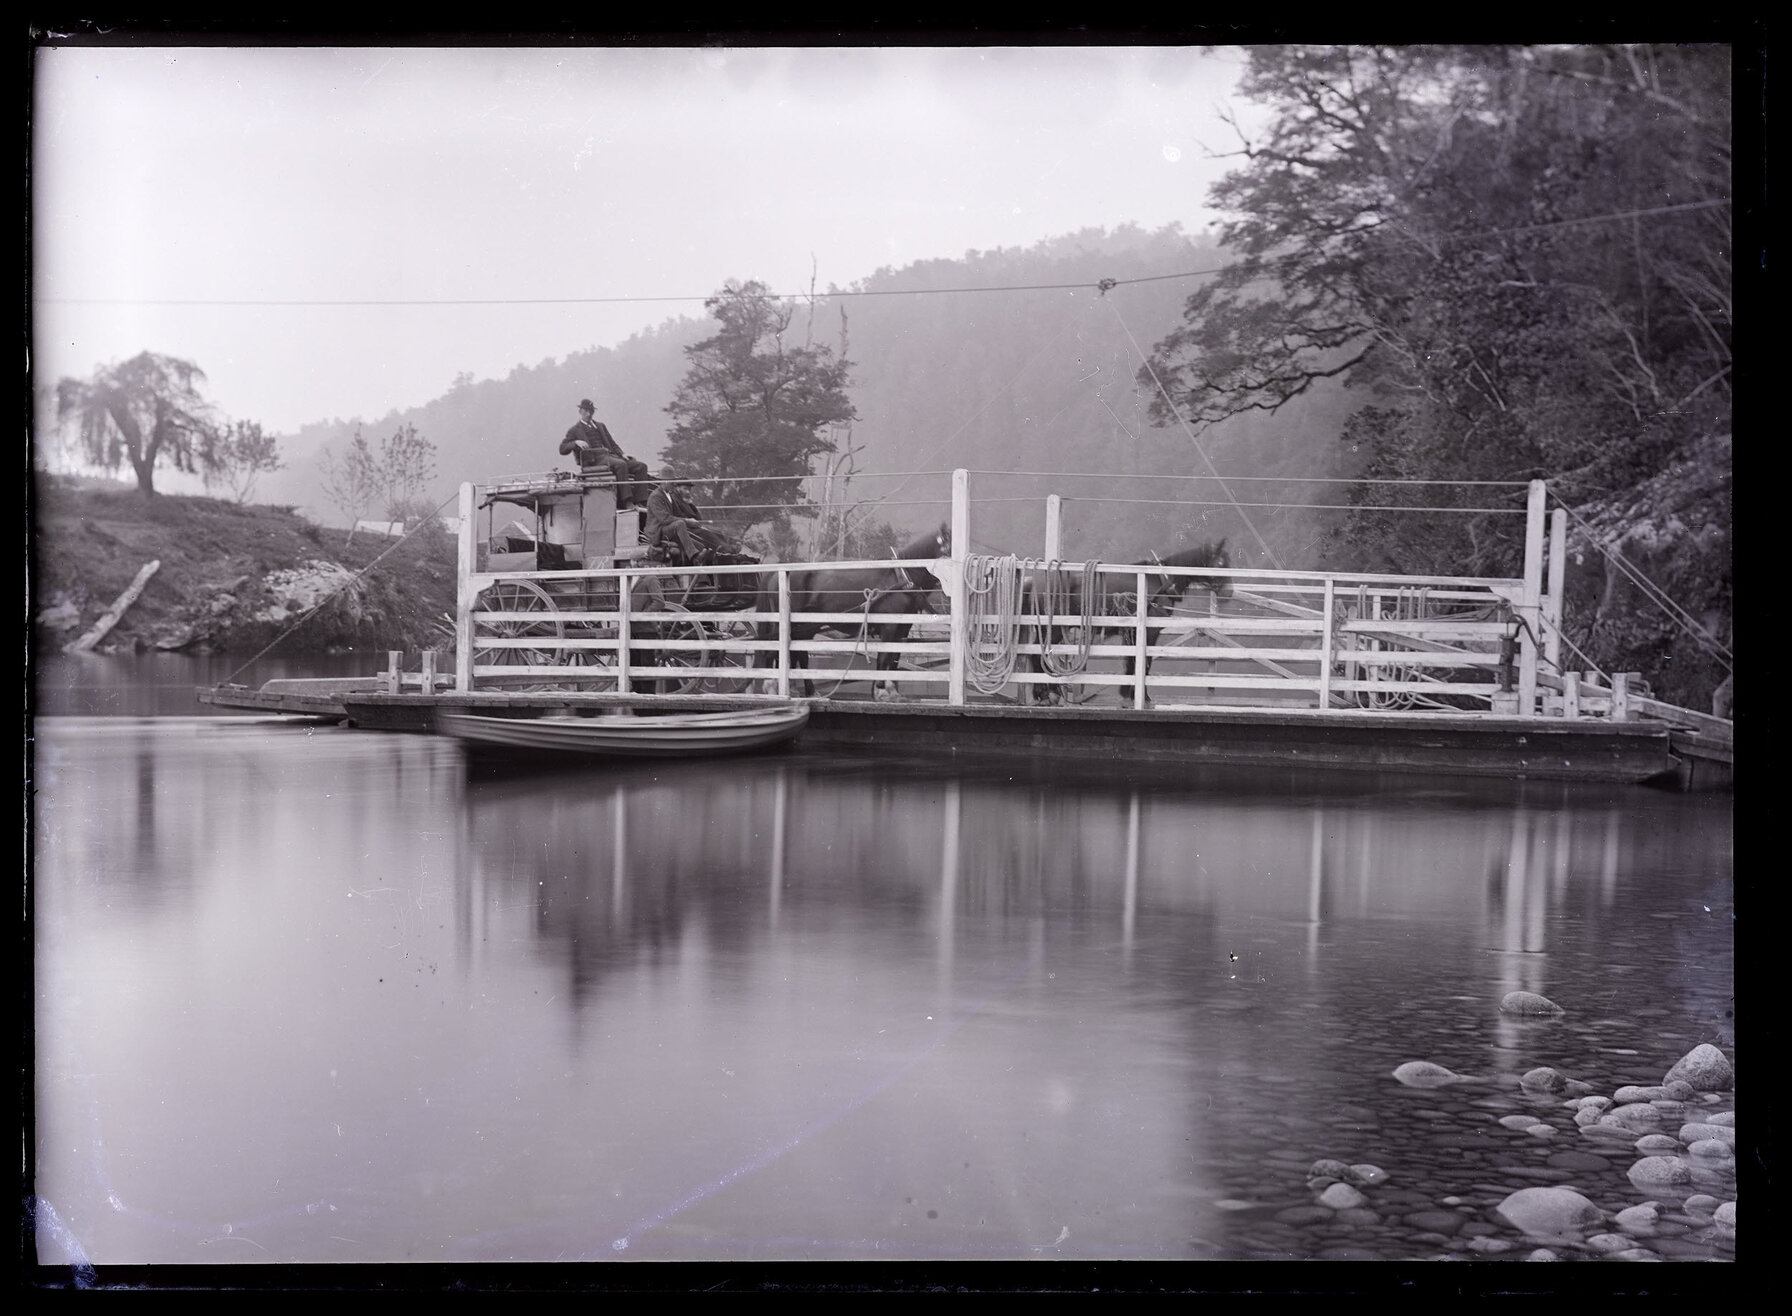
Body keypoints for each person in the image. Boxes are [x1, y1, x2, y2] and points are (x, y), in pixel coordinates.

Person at [559, 399, 652, 506]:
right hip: (594, 460)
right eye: (586, 411)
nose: (589, 414)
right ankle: (627, 501)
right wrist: (575, 442)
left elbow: (612, 443)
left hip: (610, 456)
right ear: (580, 411)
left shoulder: (600, 426)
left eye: (591, 411)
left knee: (641, 466)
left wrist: (622, 454)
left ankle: (641, 501)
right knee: (621, 465)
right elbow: (562, 449)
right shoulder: (574, 430)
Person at [643, 480, 728, 564]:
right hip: (657, 531)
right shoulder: (655, 496)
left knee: (686, 528)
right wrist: (687, 521)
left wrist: (692, 522)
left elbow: (678, 514)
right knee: (680, 524)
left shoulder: (669, 495)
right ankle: (695, 555)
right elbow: (664, 519)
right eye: (672, 482)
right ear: (665, 481)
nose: (674, 485)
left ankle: (704, 552)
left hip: (668, 528)